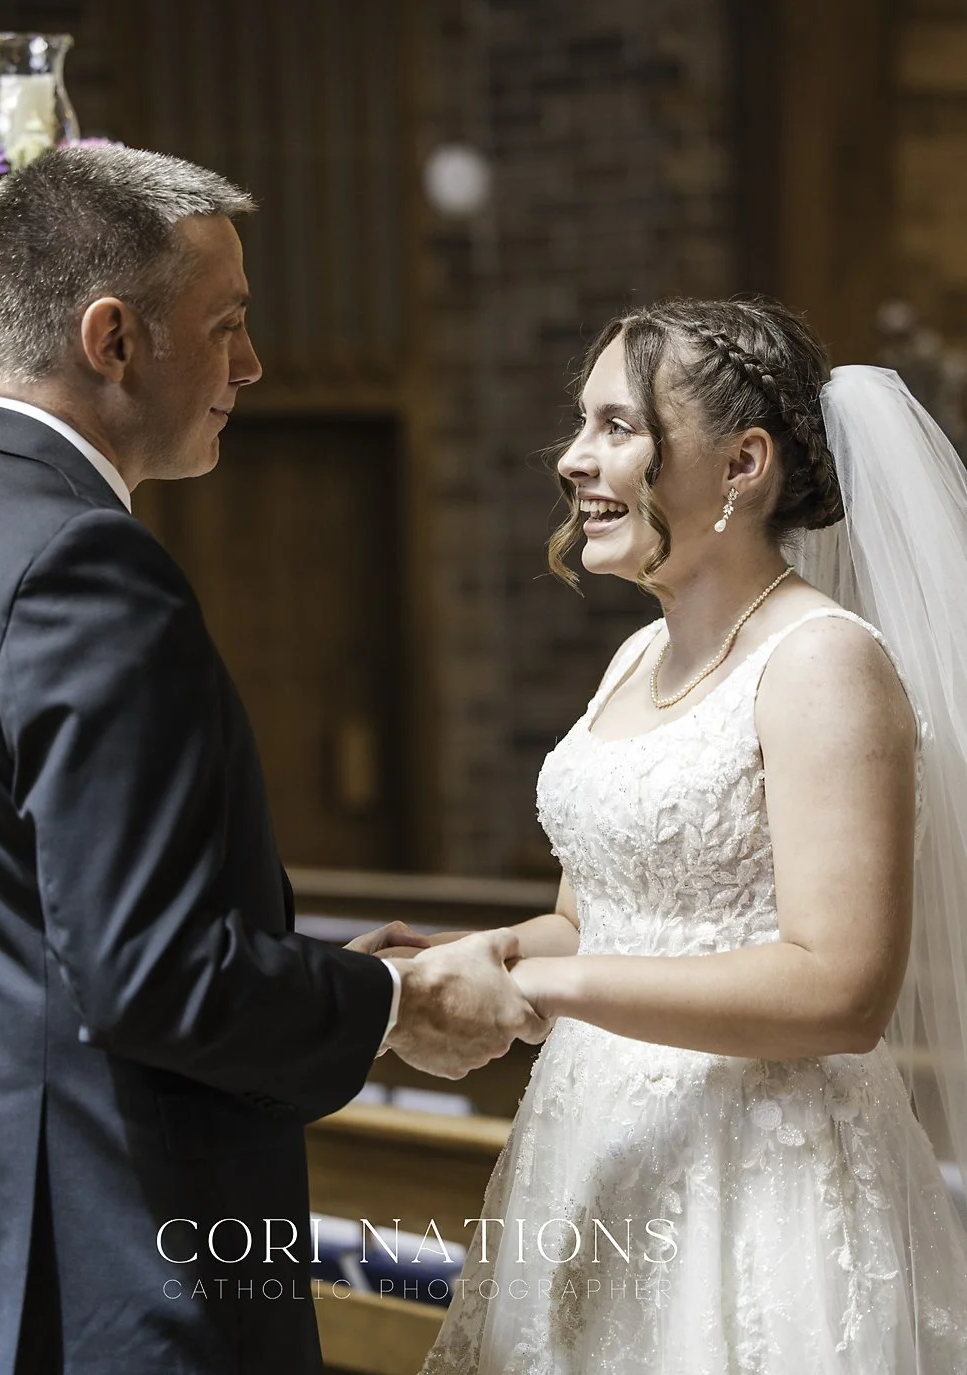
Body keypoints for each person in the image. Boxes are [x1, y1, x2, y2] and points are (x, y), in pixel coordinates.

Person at [0, 144, 548, 1375]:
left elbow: (28, 931)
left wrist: (311, 978)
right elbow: (151, 978)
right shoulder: (81, 566)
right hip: (100, 1271)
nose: (252, 364)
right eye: (225, 324)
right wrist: (398, 1001)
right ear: (113, 339)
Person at [414, 297, 967, 1372]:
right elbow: (595, 924)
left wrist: (543, 992)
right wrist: (452, 967)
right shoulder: (632, 662)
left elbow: (838, 991)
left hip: (758, 1177)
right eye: (582, 425)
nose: (573, 459)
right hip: (591, 1146)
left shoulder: (820, 663)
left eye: (616, 426)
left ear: (740, 463)